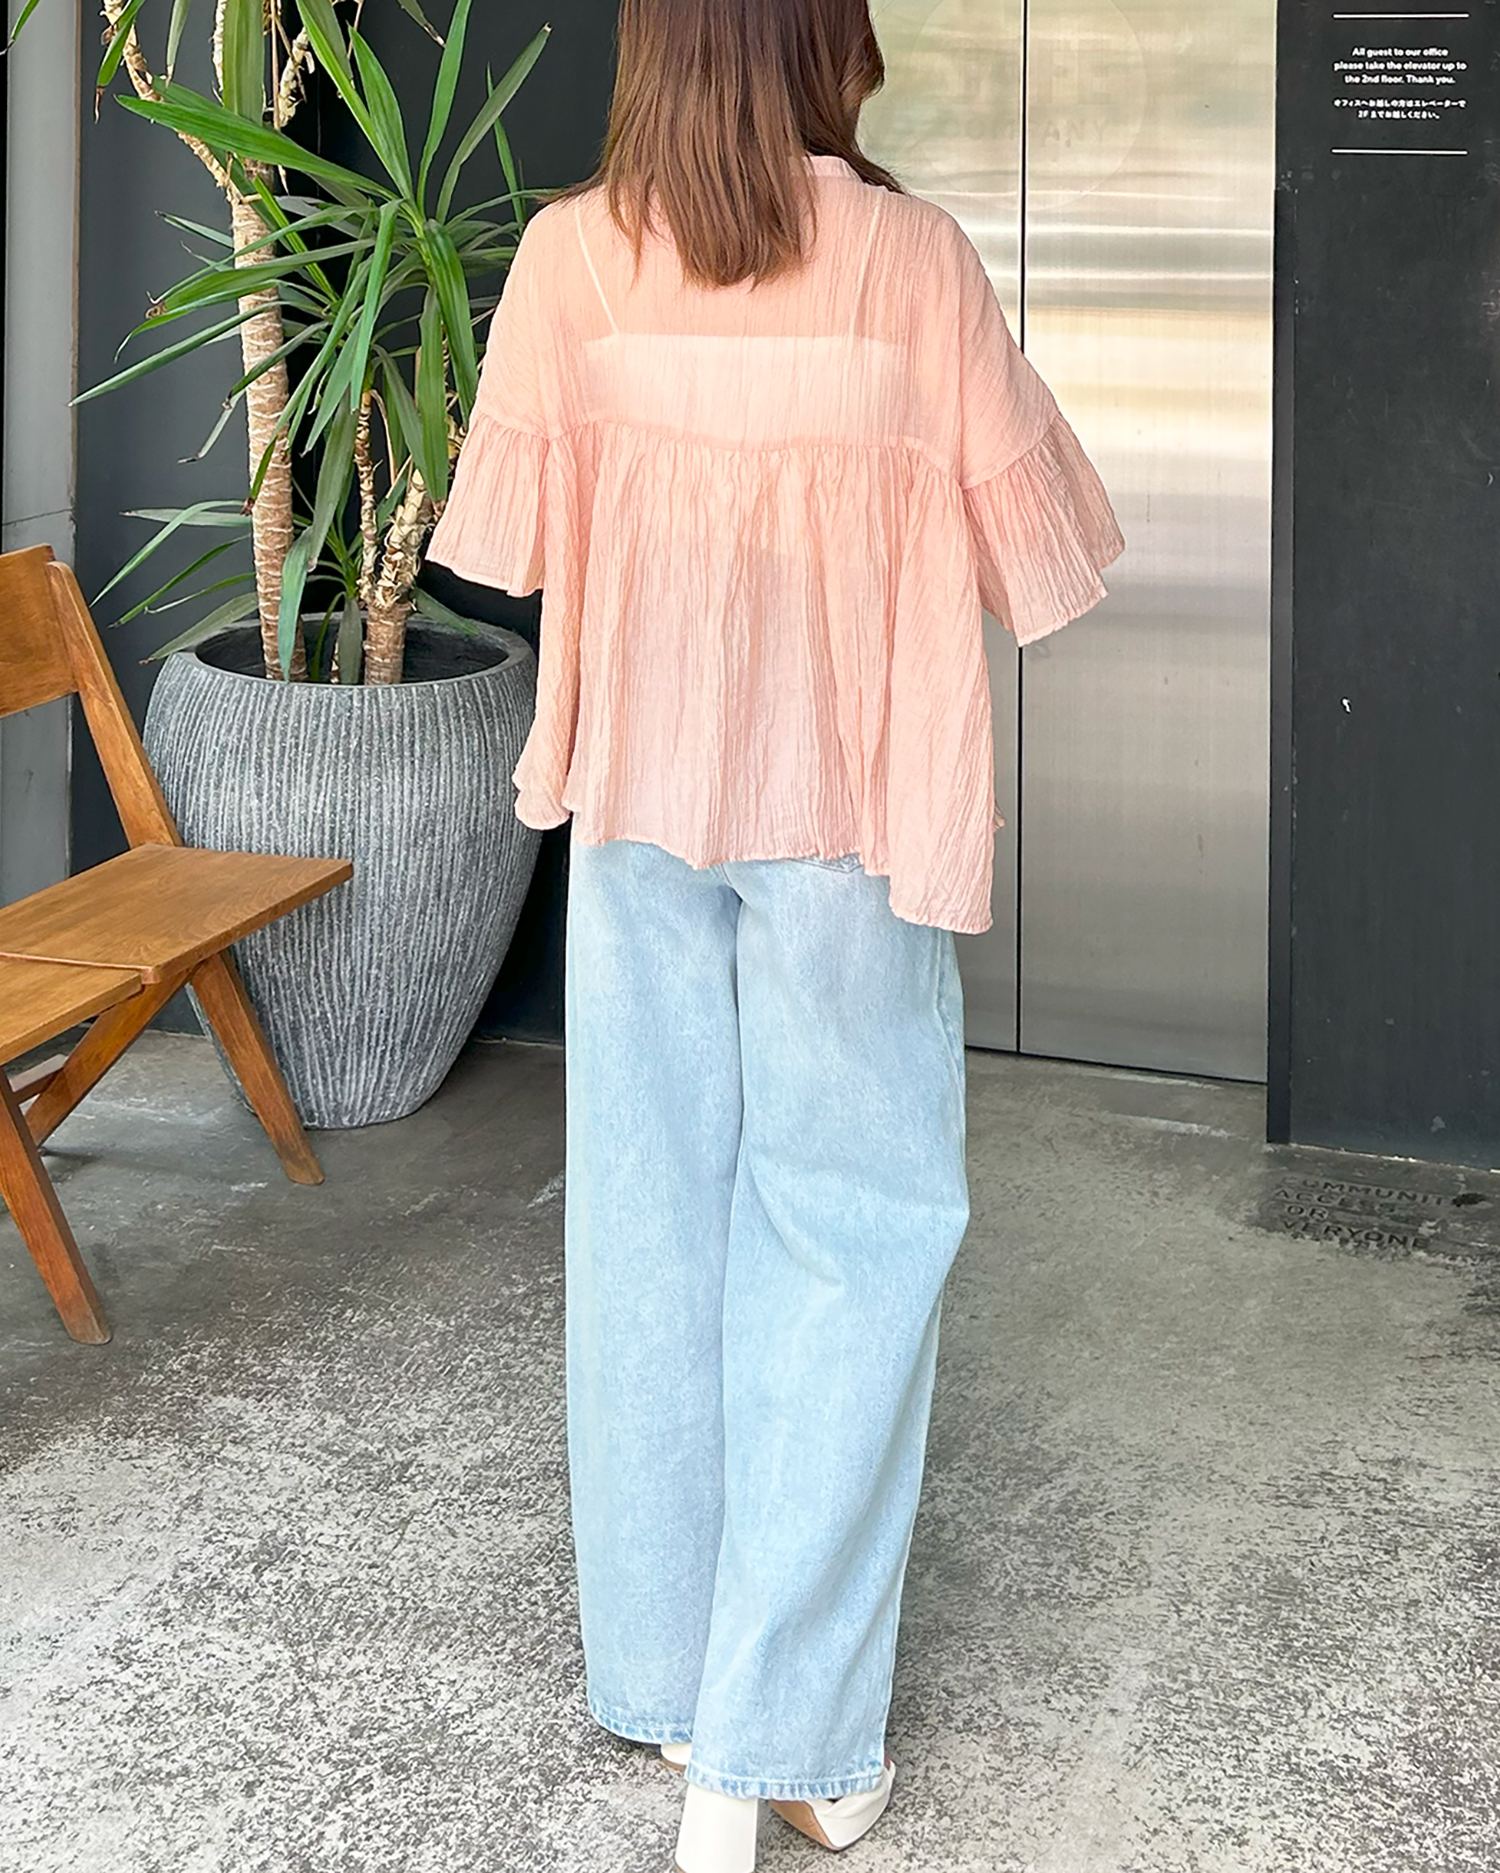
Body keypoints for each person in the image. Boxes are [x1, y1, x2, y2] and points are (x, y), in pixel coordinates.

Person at [427, 1, 1121, 1864]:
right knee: (853, 1224)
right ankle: (784, 1738)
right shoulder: (916, 263)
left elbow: (508, 541)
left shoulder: (570, 259)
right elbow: (1045, 556)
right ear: (830, 37)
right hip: (848, 816)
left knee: (648, 1215)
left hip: (642, 803)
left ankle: (672, 1688)